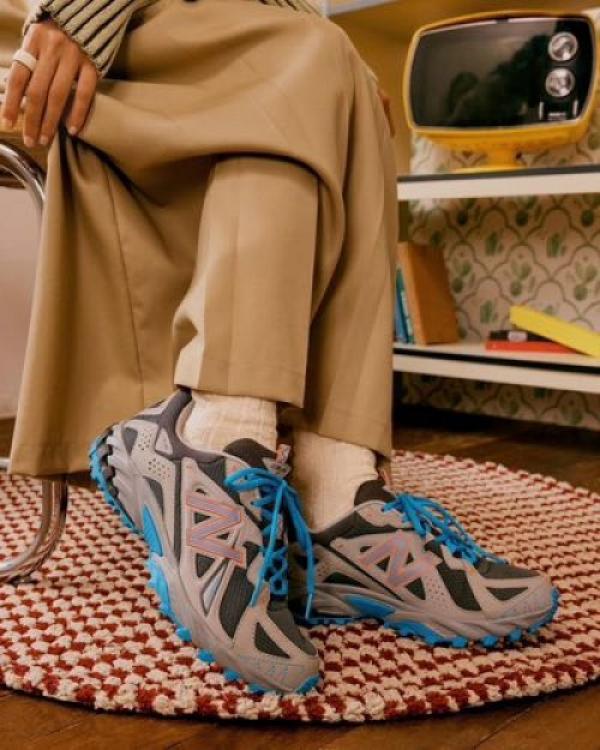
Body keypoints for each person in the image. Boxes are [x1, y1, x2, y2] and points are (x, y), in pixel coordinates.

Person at [2, 0, 557, 695]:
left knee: (341, 83)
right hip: (59, 36)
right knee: (311, 59)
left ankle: (336, 501)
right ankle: (219, 440)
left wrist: (323, 63)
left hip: (192, 40)